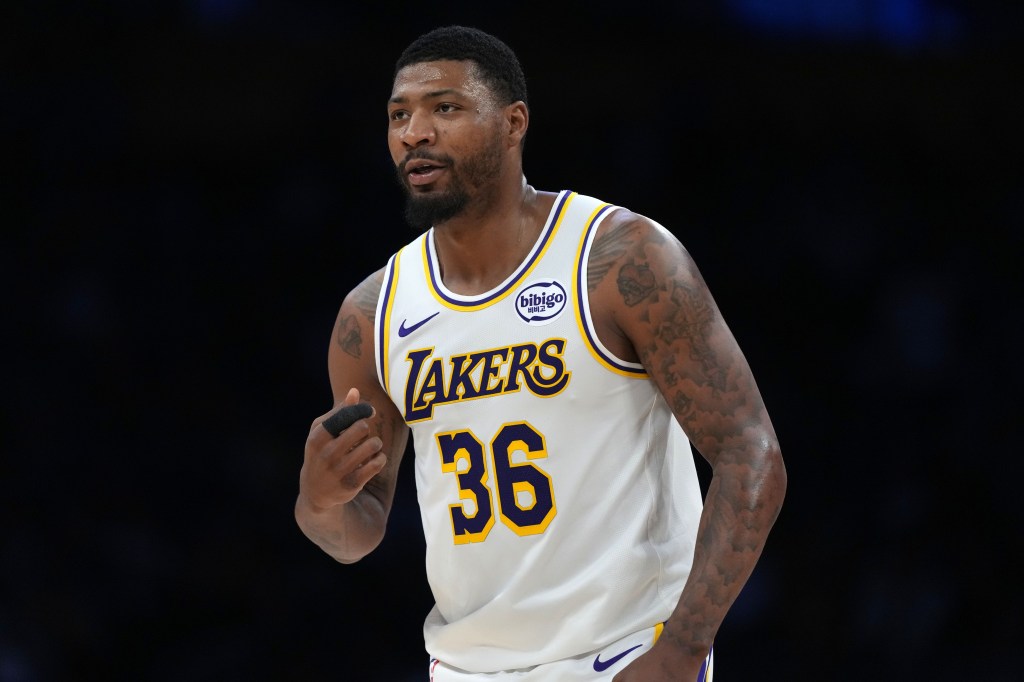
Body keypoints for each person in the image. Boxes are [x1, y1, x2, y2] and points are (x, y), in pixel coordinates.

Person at [296, 25, 786, 682]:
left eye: (444, 107)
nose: (414, 131)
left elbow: (752, 455)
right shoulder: (372, 314)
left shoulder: (619, 260)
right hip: (466, 668)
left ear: (513, 123)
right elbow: (358, 534)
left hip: (623, 656)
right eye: (398, 115)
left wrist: (683, 648)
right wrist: (319, 501)